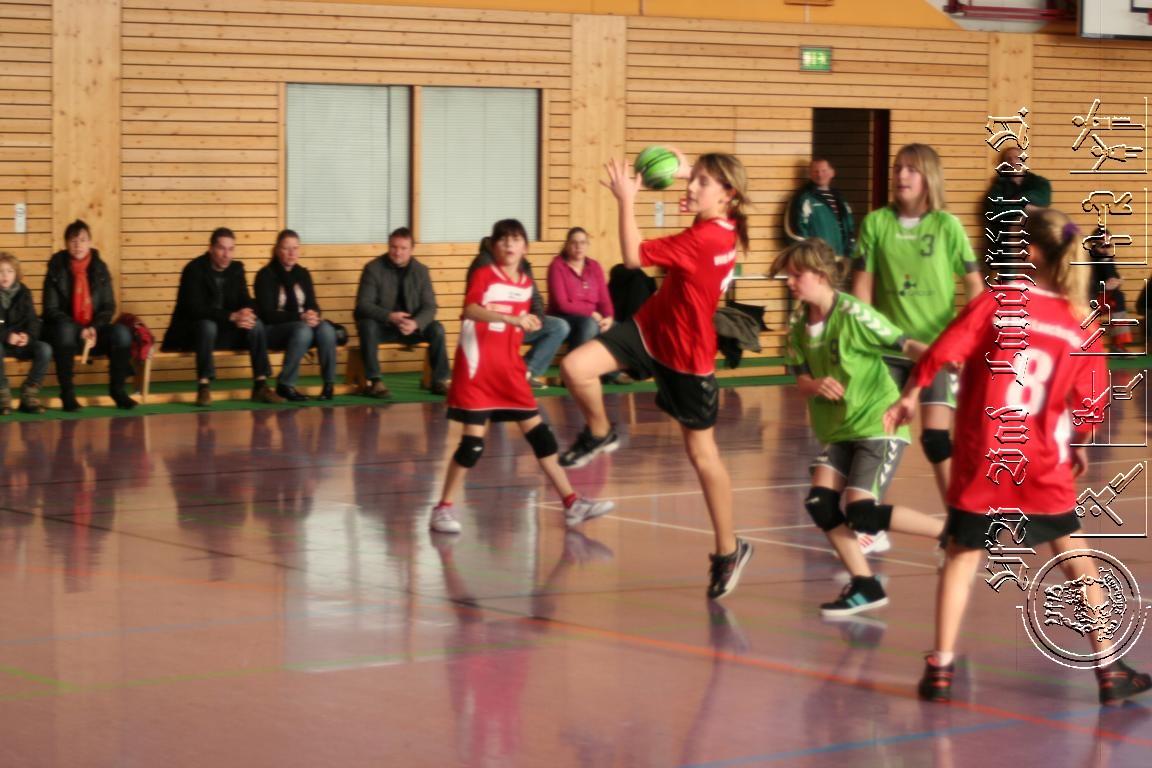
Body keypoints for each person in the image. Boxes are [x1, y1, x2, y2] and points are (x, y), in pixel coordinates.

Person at [885, 208, 1151, 705]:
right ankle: (1108, 668)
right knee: (1074, 556)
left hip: (986, 454)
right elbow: (1091, 402)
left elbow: (942, 351)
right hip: (1041, 458)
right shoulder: (1079, 325)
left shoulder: (998, 303)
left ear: (1029, 253)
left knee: (962, 555)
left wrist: (910, 394)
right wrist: (1077, 443)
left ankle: (940, 669)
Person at [559, 150, 753, 600]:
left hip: (686, 357)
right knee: (575, 367)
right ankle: (601, 431)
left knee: (703, 457)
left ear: (727, 193)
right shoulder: (726, 224)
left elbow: (632, 257)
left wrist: (627, 199)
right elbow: (714, 199)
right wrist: (687, 173)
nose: (692, 187)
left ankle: (729, 549)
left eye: (702, 182)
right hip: (651, 329)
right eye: (694, 178)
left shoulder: (705, 238)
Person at [775, 239, 942, 616]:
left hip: (876, 424)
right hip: (839, 430)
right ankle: (865, 585)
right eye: (788, 275)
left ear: (820, 275)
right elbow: (801, 379)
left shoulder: (853, 313)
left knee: (861, 512)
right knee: (820, 504)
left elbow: (906, 344)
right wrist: (816, 385)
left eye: (796, 275)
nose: (790, 282)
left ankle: (950, 534)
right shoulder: (799, 324)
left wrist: (941, 361)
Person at [429, 219, 614, 535]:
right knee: (472, 445)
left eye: (515, 239)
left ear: (525, 247)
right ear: (493, 246)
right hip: (477, 370)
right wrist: (510, 318)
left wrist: (530, 323)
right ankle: (442, 508)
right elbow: (470, 309)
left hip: (509, 371)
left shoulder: (527, 284)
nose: (509, 244)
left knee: (542, 437)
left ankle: (572, 503)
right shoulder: (484, 275)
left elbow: (528, 320)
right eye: (502, 239)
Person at [852, 143, 983, 502]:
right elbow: (861, 288)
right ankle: (866, 512)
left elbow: (975, 285)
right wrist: (864, 338)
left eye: (911, 169)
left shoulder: (947, 226)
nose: (901, 175)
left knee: (936, 439)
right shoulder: (876, 223)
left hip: (937, 350)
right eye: (897, 168)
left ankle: (958, 514)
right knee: (878, 433)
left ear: (929, 177)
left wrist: (964, 339)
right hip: (889, 349)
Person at [162, 227, 283, 407]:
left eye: (231, 249)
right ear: (211, 248)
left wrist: (247, 311)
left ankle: (261, 385)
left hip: (224, 332)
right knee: (207, 325)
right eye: (222, 248)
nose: (227, 255)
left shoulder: (236, 268)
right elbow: (195, 309)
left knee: (254, 323)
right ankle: (203, 386)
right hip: (193, 334)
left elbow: (245, 298)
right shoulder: (194, 269)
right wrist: (232, 316)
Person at [43, 219, 137, 411]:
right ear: (66, 243)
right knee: (65, 330)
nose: (78, 245)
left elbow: (109, 306)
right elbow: (50, 309)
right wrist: (79, 329)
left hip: (95, 331)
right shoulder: (56, 268)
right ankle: (67, 394)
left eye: (82, 240)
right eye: (73, 240)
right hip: (66, 334)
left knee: (122, 333)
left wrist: (94, 327)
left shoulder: (100, 268)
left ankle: (118, 390)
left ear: (90, 242)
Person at [354, 227, 450, 398]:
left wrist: (416, 323)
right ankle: (375, 382)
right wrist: (389, 316)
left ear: (412, 249)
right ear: (388, 246)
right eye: (393, 247)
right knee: (366, 325)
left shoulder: (421, 271)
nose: (398, 252)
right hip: (384, 326)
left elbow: (430, 306)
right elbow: (363, 305)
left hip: (411, 327)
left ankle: (440, 381)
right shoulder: (373, 268)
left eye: (403, 248)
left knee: (437, 329)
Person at [469, 237, 568, 390]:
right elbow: (477, 306)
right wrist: (511, 318)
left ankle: (526, 371)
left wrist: (537, 319)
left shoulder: (523, 264)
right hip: (495, 324)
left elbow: (535, 297)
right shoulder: (484, 264)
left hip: (521, 323)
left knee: (559, 326)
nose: (511, 246)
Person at [254, 229, 338, 401]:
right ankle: (285, 385)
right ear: (277, 250)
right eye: (287, 248)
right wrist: (300, 317)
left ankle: (329, 384)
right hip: (274, 329)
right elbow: (267, 314)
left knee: (326, 329)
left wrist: (313, 314)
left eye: (295, 248)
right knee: (303, 330)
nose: (292, 253)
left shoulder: (303, 274)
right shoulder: (266, 275)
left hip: (302, 324)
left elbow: (313, 304)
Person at [982, 144, 1051, 280]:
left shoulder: (1038, 183)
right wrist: (1025, 207)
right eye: (1009, 159)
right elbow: (996, 211)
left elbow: (1044, 200)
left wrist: (1017, 200)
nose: (1013, 161)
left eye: (1017, 157)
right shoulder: (998, 187)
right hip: (1008, 242)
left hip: (1035, 238)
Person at [785, 157, 855, 280]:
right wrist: (809, 257)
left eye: (823, 171)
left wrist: (849, 251)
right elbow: (796, 232)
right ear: (810, 174)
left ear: (832, 172)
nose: (820, 174)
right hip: (816, 262)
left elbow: (849, 227)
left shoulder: (840, 199)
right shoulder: (803, 198)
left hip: (839, 260)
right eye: (815, 171)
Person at [0, 252, 51, 414]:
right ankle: (3, 397)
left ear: (16, 273)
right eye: (1, 271)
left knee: (44, 349)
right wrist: (7, 336)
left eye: (9, 271)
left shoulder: (24, 292)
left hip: (22, 342)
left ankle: (29, 394)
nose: (5, 276)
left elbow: (33, 321)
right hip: (2, 343)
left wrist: (27, 336)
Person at [546, 227, 614, 349]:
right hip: (564, 318)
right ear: (567, 245)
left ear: (587, 245)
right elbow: (562, 305)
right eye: (574, 242)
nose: (578, 246)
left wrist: (608, 318)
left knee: (617, 328)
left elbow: (604, 300)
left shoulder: (595, 266)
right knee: (590, 324)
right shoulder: (557, 266)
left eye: (583, 242)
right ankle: (576, 360)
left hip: (592, 318)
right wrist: (591, 313)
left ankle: (603, 362)